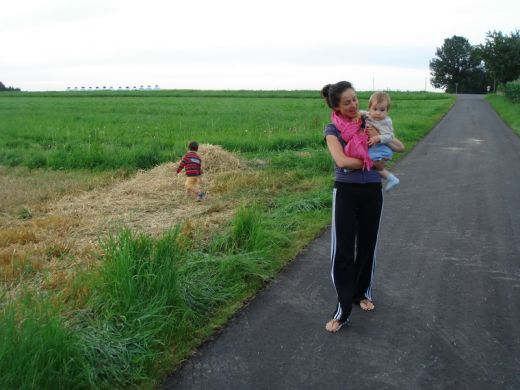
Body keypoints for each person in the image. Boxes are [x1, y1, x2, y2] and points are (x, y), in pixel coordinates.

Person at [321, 81, 404, 333]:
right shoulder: (332, 128)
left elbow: (398, 146)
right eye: (347, 102)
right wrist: (372, 160)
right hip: (346, 192)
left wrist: (383, 145)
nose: (353, 105)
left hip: (371, 191)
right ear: (336, 106)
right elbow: (342, 160)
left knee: (368, 245)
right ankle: (343, 309)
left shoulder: (368, 121)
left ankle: (362, 293)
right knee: (343, 251)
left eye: (355, 99)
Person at [365, 91, 401, 192]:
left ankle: (391, 179)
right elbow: (360, 113)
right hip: (376, 148)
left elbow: (390, 136)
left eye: (382, 110)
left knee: (368, 161)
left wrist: (378, 138)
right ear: (369, 108)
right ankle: (392, 179)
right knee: (375, 167)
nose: (378, 113)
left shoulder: (386, 122)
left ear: (387, 111)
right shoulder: (368, 115)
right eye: (375, 109)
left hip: (382, 149)